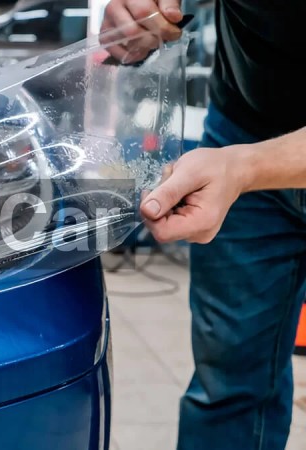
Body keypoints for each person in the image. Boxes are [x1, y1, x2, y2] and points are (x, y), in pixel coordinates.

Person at [101, 1, 306, 449]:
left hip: (241, 158)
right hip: (242, 123)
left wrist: (247, 168)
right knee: (228, 383)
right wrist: (141, 11)